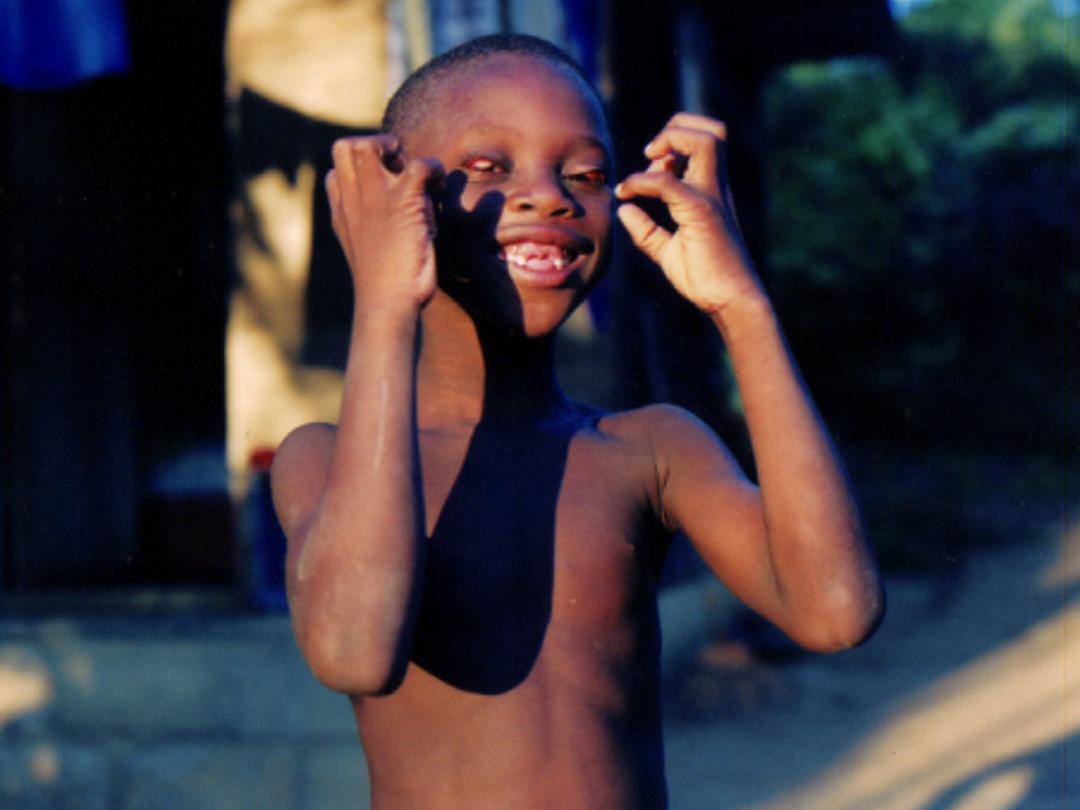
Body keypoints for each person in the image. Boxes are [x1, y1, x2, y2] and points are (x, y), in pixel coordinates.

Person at [270, 33, 884, 809]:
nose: (549, 196)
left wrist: (742, 307)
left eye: (586, 175)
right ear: (402, 202)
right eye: (489, 167)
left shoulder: (649, 450)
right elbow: (353, 652)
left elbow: (836, 611)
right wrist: (383, 300)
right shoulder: (324, 461)